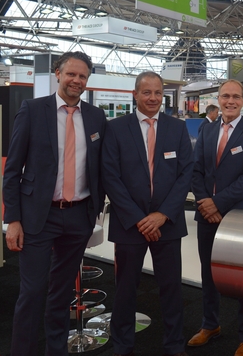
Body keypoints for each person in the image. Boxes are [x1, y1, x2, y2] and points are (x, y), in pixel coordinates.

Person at [3, 51, 107, 356]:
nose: (77, 80)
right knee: (32, 292)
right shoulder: (33, 110)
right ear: (58, 73)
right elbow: (13, 170)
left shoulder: (96, 117)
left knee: (62, 294)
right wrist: (13, 219)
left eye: (82, 76)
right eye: (71, 74)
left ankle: (56, 350)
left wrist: (96, 211)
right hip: (39, 216)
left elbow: (101, 167)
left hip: (78, 217)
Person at [102, 71, 193, 356]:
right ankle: (122, 345)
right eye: (147, 92)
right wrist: (139, 218)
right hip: (130, 224)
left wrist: (162, 214)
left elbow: (185, 174)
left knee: (171, 288)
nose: (153, 98)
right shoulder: (116, 128)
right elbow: (110, 176)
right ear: (135, 94)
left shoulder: (177, 128)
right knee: (126, 289)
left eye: (157, 93)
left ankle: (174, 344)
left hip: (168, 223)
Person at [188, 79, 243, 356]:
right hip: (206, 214)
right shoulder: (207, 129)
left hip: (238, 215)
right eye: (225, 96)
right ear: (218, 99)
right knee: (208, 273)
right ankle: (210, 325)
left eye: (235, 97)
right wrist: (204, 203)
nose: (230, 101)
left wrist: (216, 203)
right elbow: (196, 170)